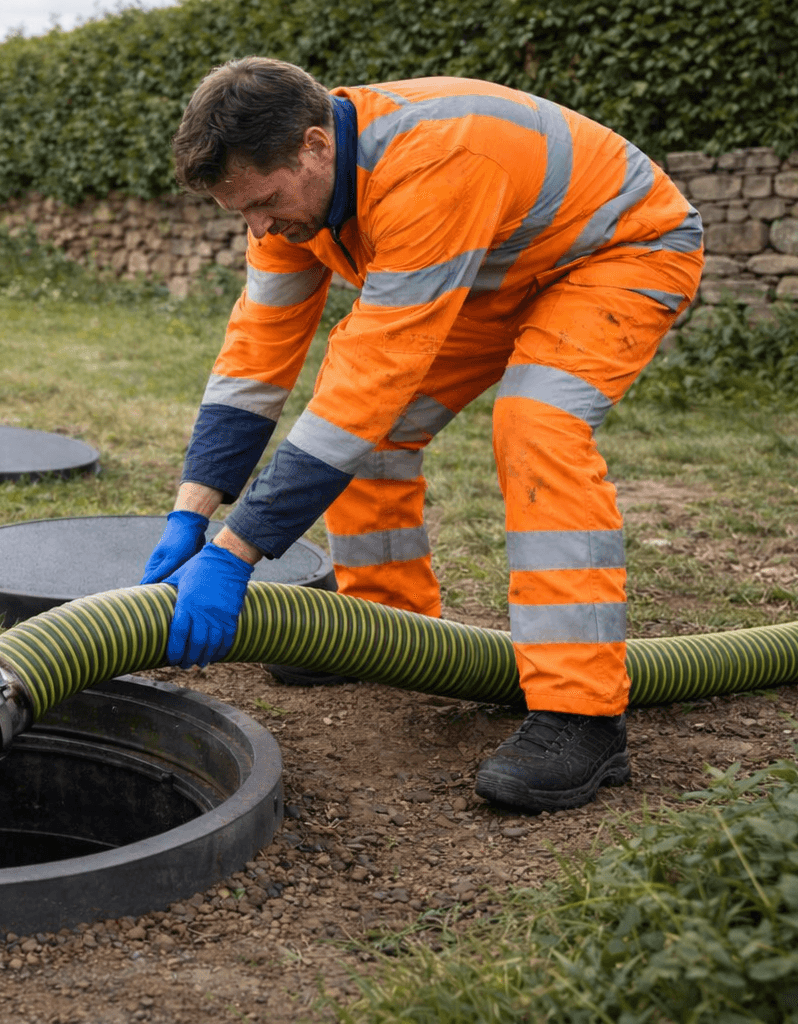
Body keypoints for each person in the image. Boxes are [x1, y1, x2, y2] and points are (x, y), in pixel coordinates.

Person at [140, 57, 704, 813]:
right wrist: (190, 511)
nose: (260, 227)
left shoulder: (433, 161)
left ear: (314, 146)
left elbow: (367, 381)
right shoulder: (288, 209)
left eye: (266, 203)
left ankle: (582, 716)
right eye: (241, 212)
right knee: (377, 432)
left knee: (535, 424)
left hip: (617, 253)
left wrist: (235, 551)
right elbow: (254, 362)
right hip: (495, 272)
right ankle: (389, 628)